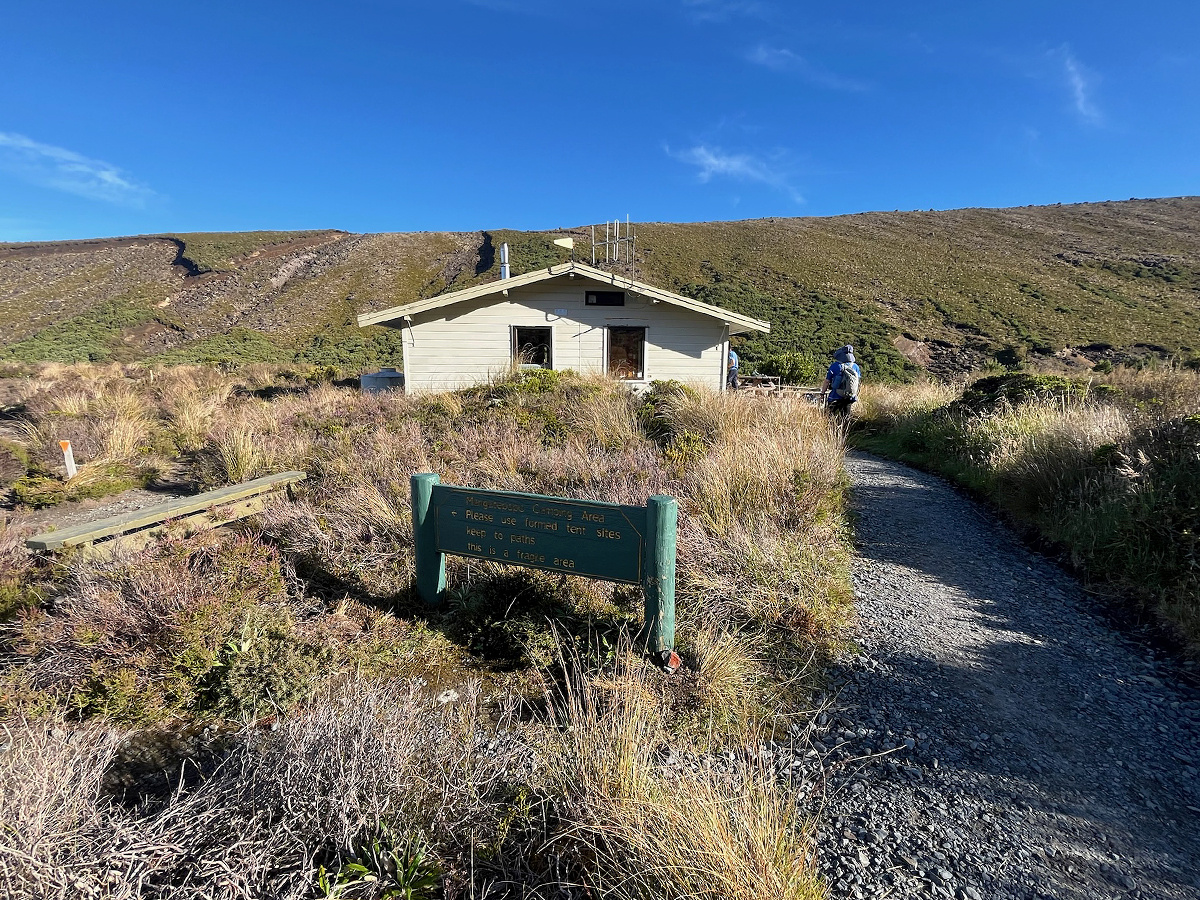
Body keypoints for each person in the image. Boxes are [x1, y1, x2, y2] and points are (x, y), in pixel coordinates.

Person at [820, 344, 861, 419]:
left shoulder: (835, 365)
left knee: (828, 417)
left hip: (835, 396)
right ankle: (844, 430)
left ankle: (830, 430)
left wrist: (822, 393)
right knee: (845, 418)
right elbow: (858, 382)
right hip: (849, 397)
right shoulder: (855, 367)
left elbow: (827, 381)